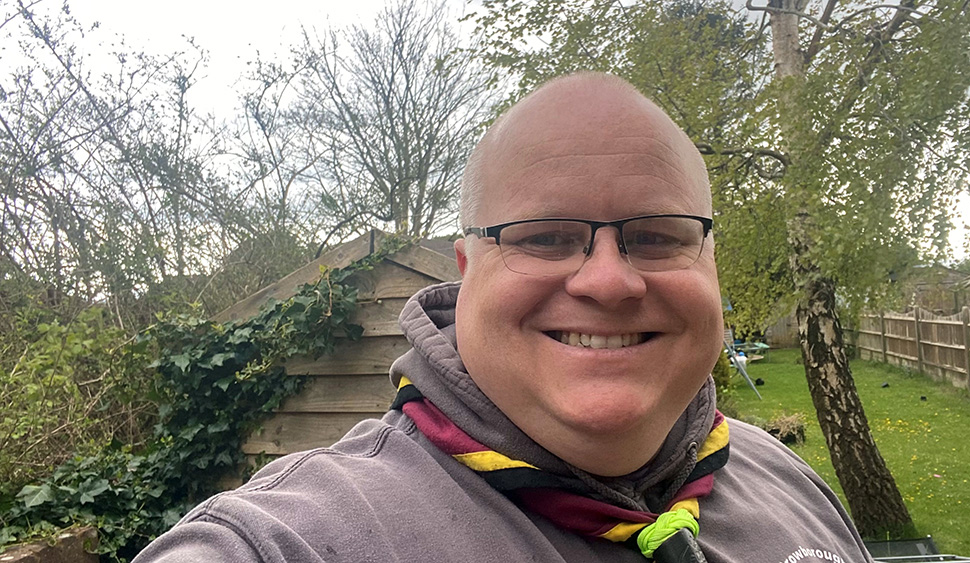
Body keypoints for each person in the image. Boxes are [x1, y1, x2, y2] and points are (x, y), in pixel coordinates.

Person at [134, 73, 873, 563]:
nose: (610, 280)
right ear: (467, 272)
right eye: (545, 236)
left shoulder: (787, 479)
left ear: (709, 262)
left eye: (657, 234)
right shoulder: (294, 538)